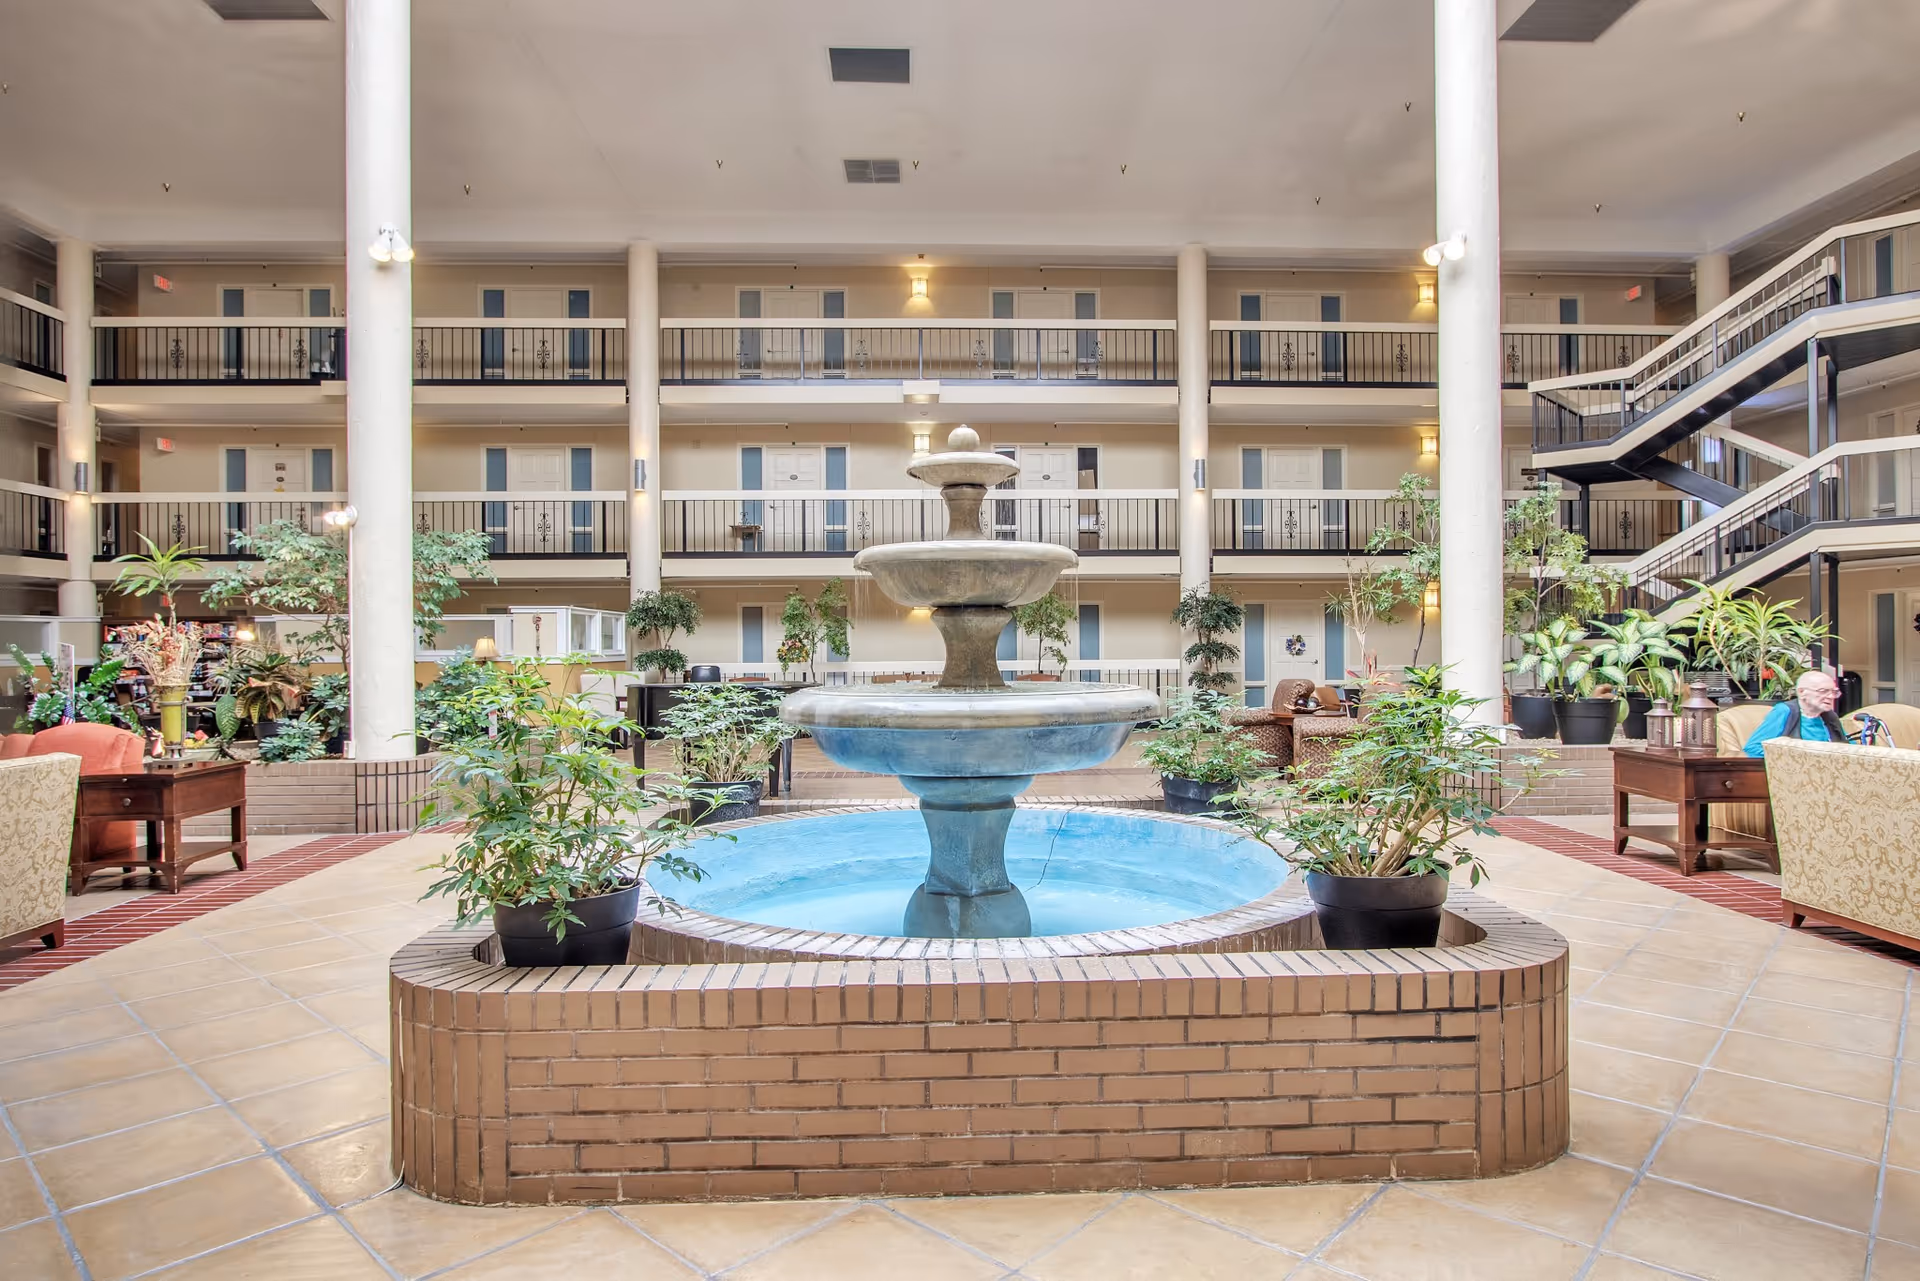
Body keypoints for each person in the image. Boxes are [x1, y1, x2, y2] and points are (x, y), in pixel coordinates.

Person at [1742, 670, 1845, 757]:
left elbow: (1846, 746)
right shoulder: (1785, 711)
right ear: (1801, 692)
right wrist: (1792, 758)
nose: (1831, 696)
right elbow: (1753, 748)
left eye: (1834, 692)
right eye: (1823, 691)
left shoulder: (1829, 716)